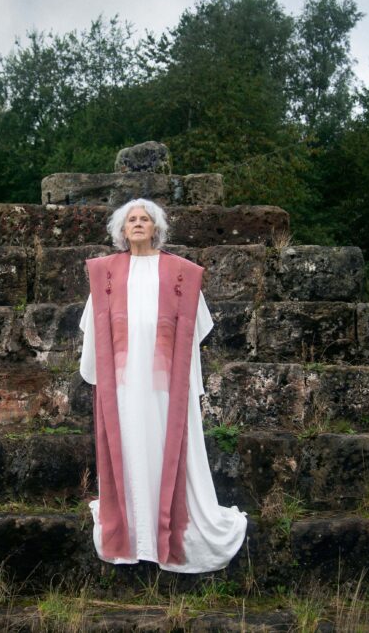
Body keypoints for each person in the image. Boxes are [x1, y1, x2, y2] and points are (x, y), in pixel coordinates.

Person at [79, 198, 247, 573]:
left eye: (145, 219)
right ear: (122, 231)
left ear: (156, 228)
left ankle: (166, 533)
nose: (138, 224)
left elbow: (196, 327)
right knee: (130, 446)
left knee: (163, 445)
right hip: (123, 385)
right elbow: (92, 326)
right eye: (131, 220)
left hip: (164, 386)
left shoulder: (181, 273)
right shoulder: (105, 272)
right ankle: (134, 534)